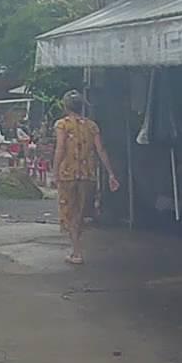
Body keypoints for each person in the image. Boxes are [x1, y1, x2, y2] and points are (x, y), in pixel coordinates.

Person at [53, 90, 120, 265]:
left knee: (70, 212)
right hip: (88, 175)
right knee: (81, 213)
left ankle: (76, 252)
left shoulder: (62, 125)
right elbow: (101, 150)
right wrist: (111, 173)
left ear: (66, 106)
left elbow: (60, 148)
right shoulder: (92, 126)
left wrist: (55, 171)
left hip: (67, 174)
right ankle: (76, 249)